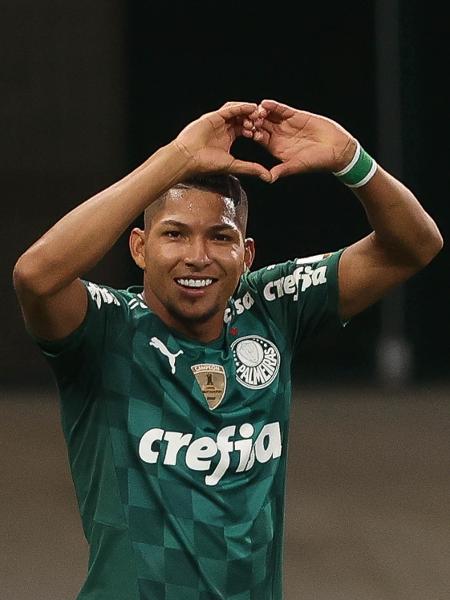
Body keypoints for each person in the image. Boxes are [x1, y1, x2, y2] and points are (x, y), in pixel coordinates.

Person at [13, 100, 443, 600]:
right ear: (139, 247)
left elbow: (416, 245)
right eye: (174, 234)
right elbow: (35, 276)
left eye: (221, 237)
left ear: (247, 254)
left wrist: (351, 159)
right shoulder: (105, 328)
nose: (197, 256)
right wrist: (175, 158)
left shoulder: (272, 306)